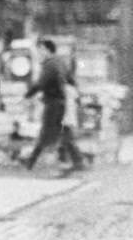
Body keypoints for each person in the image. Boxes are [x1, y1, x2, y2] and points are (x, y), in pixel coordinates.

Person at [23, 38, 86, 173]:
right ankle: (79, 162)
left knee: (45, 134)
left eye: (40, 50)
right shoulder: (61, 62)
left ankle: (30, 163)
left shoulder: (50, 64)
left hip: (53, 104)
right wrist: (77, 97)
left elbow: (40, 84)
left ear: (46, 49)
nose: (39, 53)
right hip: (62, 104)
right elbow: (72, 80)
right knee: (65, 133)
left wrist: (27, 96)